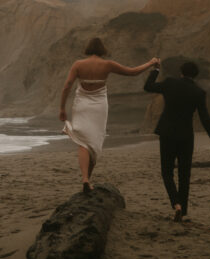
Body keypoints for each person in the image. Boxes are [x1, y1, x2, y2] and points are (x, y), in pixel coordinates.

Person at [59, 37, 159, 192]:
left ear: (88, 48)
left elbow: (67, 86)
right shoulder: (107, 65)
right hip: (99, 106)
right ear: (102, 50)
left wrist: (62, 108)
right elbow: (133, 72)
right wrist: (151, 63)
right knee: (94, 142)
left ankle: (85, 179)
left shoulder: (78, 65)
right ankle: (87, 180)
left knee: (82, 141)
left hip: (82, 105)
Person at [144, 60, 210, 222]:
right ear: (195, 75)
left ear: (181, 72)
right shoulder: (198, 92)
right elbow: (205, 118)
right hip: (186, 137)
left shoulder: (170, 83)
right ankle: (184, 212)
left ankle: (176, 204)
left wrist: (156, 70)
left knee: (167, 172)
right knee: (184, 175)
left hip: (167, 134)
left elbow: (148, 86)